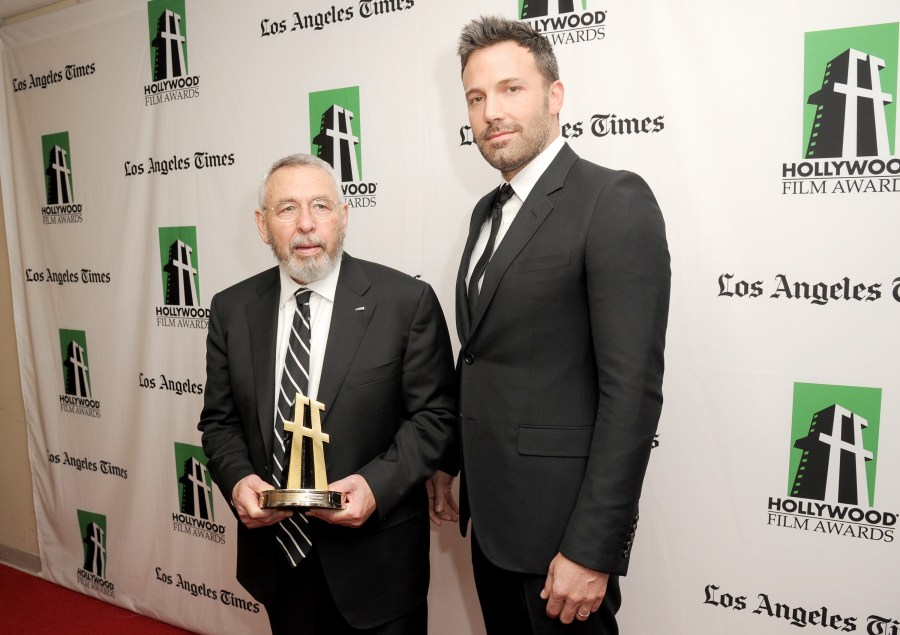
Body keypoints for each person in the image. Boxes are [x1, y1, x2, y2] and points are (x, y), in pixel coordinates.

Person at [428, 15, 671, 635]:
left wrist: (594, 546)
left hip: (564, 536)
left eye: (511, 89)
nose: (491, 113)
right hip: (491, 522)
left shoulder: (611, 200)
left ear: (555, 96)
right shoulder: (488, 210)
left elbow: (632, 392)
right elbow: (482, 353)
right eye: (476, 98)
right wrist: (452, 460)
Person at [199, 153, 458, 634]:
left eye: (320, 206)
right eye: (286, 209)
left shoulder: (405, 303)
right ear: (262, 225)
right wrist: (237, 481)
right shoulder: (231, 309)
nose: (305, 225)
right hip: (279, 562)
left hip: (378, 568)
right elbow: (219, 423)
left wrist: (375, 488)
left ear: (344, 215)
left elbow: (436, 417)